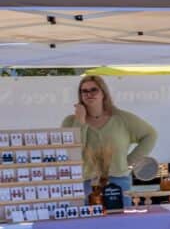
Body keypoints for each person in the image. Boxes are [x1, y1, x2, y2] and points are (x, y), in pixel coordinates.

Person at [61, 75, 157, 206]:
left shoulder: (121, 119)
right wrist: (80, 121)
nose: (89, 94)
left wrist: (128, 161)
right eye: (84, 91)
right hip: (85, 184)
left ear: (103, 93)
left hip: (118, 182)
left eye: (94, 90)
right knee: (89, 226)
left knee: (120, 224)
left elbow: (150, 135)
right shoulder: (70, 122)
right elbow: (73, 153)